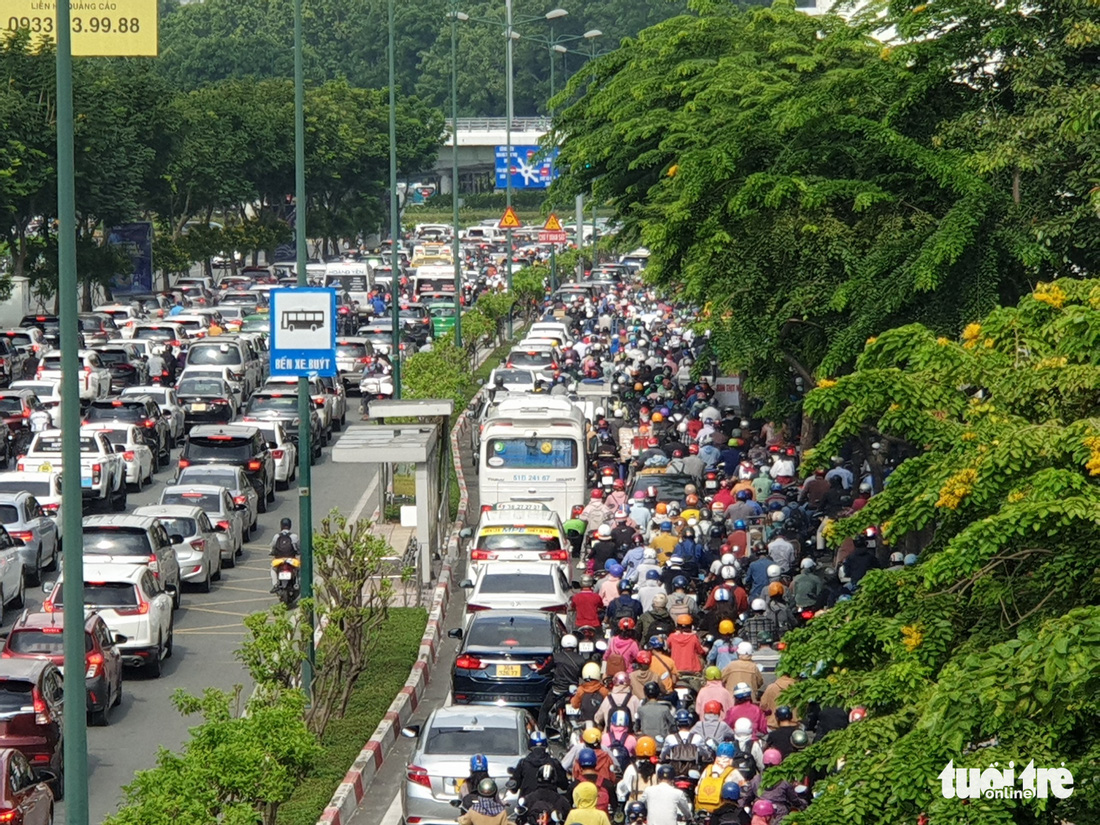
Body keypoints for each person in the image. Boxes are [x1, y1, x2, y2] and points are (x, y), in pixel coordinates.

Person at [538, 633, 588, 730]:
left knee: (544, 710)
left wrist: (539, 671)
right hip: (573, 691)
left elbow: (545, 669)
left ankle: (540, 731)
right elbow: (583, 675)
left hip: (558, 690)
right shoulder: (581, 659)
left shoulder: (556, 657)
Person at [512, 730, 567, 797]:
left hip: (528, 802)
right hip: (549, 802)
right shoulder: (554, 763)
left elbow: (514, 788)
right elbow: (564, 785)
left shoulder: (523, 763)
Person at [616, 736, 659, 803]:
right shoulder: (658, 768)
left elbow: (622, 787)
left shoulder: (631, 768)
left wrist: (621, 798)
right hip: (654, 804)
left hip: (635, 803)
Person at [269, 518, 300, 592]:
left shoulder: (276, 536)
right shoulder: (294, 536)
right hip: (291, 560)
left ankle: (275, 584)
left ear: (281, 526)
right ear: (290, 526)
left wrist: (271, 552)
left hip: (279, 560)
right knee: (298, 569)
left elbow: (272, 546)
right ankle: (297, 583)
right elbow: (298, 547)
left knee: (273, 569)